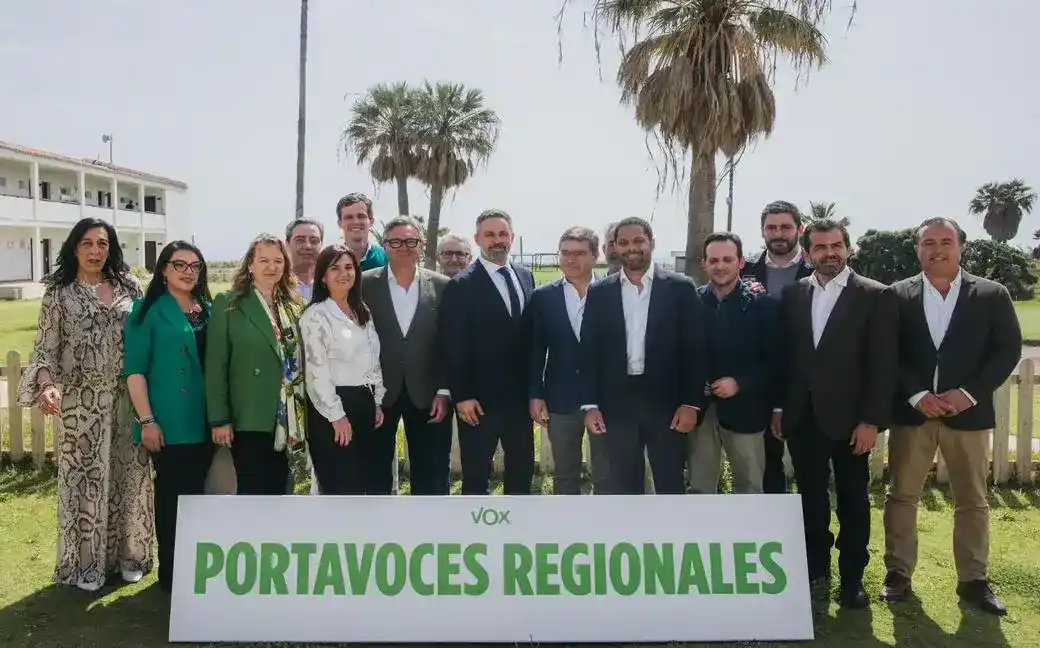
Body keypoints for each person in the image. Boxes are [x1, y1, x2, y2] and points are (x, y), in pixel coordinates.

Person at [881, 217, 1021, 615]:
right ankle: (898, 574)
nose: (937, 249)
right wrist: (917, 395)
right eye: (928, 242)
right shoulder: (896, 295)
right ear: (917, 249)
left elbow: (1006, 350)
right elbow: (887, 352)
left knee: (972, 500)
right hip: (913, 415)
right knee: (902, 496)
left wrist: (968, 394)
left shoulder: (992, 294)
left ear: (962, 246)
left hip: (969, 415)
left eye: (946, 241)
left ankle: (974, 580)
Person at [16, 217, 153, 592]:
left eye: (103, 244)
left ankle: (130, 557)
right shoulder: (59, 294)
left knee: (130, 479)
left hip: (126, 403)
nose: (95, 251)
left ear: (111, 249)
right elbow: (45, 349)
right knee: (85, 484)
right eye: (88, 243)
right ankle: (86, 565)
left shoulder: (130, 286)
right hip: (80, 407)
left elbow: (145, 341)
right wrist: (47, 386)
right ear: (74, 248)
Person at [772, 218, 898, 609]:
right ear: (808, 252)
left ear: (848, 248)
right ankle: (816, 572)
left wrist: (871, 421)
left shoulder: (875, 295)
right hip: (803, 419)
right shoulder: (794, 294)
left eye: (836, 246)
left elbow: (884, 366)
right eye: (821, 247)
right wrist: (780, 409)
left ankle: (853, 579)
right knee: (810, 501)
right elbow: (787, 360)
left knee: (853, 501)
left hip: (852, 421)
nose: (830, 254)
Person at [580, 217, 708, 495]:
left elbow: (695, 350)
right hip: (617, 403)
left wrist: (691, 403)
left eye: (638, 240)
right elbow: (589, 351)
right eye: (623, 242)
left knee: (670, 480)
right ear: (615, 247)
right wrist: (590, 405)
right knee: (625, 484)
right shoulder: (600, 292)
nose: (631, 248)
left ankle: (671, 524)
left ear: (652, 242)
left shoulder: (681, 288)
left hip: (667, 402)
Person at [124, 240, 212, 594]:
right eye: (180, 265)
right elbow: (135, 371)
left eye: (195, 266)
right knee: (173, 498)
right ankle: (173, 576)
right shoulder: (146, 310)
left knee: (200, 498)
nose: (188, 272)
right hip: (169, 422)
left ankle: (198, 571)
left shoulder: (208, 309)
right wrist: (147, 421)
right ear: (163, 270)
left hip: (207, 419)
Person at [440, 209, 536, 495]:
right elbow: (454, 345)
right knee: (476, 474)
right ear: (478, 239)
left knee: (522, 469)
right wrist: (463, 395)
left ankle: (519, 520)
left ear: (512, 237)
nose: (497, 240)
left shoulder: (525, 276)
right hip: (479, 402)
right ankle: (475, 523)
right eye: (490, 234)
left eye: (503, 234)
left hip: (520, 400)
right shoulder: (462, 284)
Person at [205, 234, 307, 495]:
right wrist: (219, 419)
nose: (271, 267)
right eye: (264, 260)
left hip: (288, 417)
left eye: (278, 261)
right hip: (249, 416)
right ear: (250, 264)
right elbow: (216, 365)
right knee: (252, 491)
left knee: (281, 489)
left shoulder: (293, 305)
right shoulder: (229, 303)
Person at [363, 218, 452, 495]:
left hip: (428, 394)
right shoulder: (363, 284)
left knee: (431, 474)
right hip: (379, 395)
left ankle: (428, 522)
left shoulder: (442, 285)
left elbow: (449, 343)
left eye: (411, 241)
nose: (404, 247)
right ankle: (379, 521)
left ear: (421, 245)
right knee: (374, 473)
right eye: (396, 241)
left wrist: (444, 390)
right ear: (385, 245)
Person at [687, 232, 781, 495]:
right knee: (699, 488)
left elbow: (776, 362)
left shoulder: (764, 305)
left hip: (747, 411)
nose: (720, 266)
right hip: (701, 412)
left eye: (727, 259)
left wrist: (740, 383)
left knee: (749, 487)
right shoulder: (692, 303)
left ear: (741, 262)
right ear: (704, 264)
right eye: (713, 260)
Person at [528, 226, 611, 494]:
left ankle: (604, 520)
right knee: (565, 474)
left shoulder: (613, 293)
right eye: (565, 253)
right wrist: (536, 394)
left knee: (607, 473)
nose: (570, 259)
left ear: (595, 255)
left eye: (579, 253)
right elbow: (535, 350)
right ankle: (566, 519)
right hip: (560, 399)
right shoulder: (543, 297)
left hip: (606, 398)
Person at [299, 245, 388, 494]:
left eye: (349, 267)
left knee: (365, 484)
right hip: (333, 408)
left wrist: (376, 401)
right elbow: (317, 371)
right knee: (342, 487)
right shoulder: (316, 315)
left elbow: (373, 359)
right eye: (335, 268)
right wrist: (336, 416)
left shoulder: (362, 311)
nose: (343, 273)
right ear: (323, 277)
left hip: (364, 404)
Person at [743, 200, 813, 495]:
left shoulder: (817, 267)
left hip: (807, 385)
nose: (778, 233)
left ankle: (809, 525)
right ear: (762, 231)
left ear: (800, 229)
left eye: (785, 227)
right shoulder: (745, 269)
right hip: (761, 385)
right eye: (771, 227)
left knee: (810, 471)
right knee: (768, 468)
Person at [336, 192, 388, 271]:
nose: (355, 222)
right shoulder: (331, 261)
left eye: (361, 216)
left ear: (371, 221)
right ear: (339, 223)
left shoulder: (386, 258)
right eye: (349, 217)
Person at [286, 218, 324, 301]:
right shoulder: (277, 284)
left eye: (314, 241)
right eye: (300, 240)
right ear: (287, 244)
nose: (308, 246)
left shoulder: (332, 285)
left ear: (321, 245)